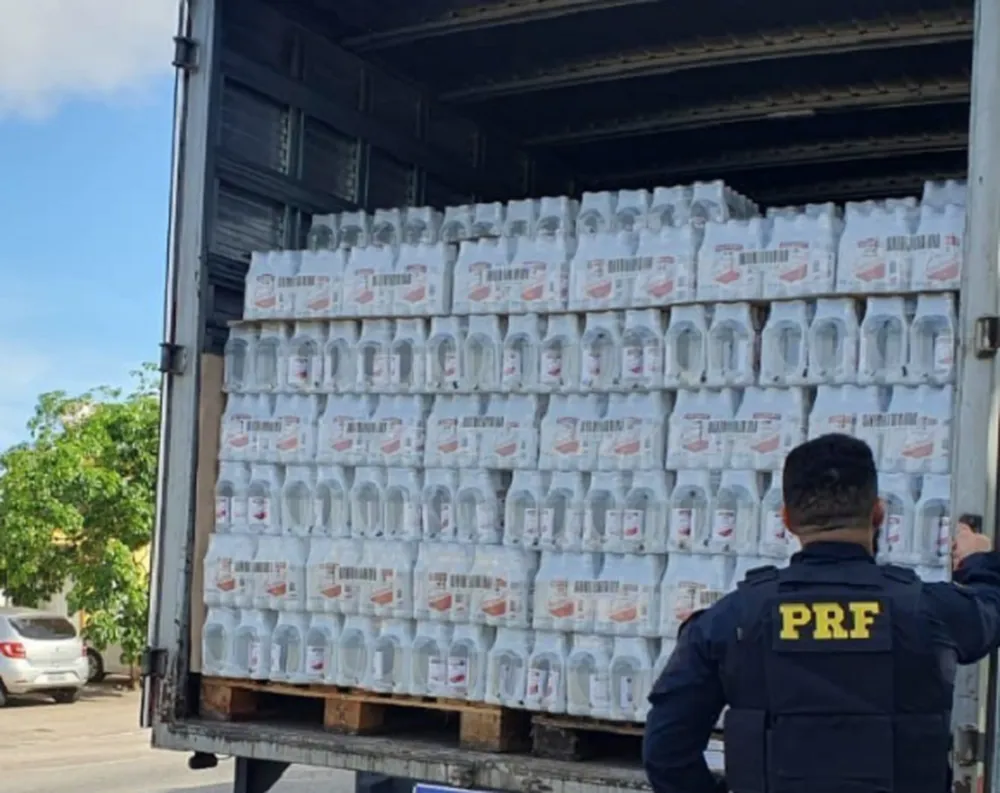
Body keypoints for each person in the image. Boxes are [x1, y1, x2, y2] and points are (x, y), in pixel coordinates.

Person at [643, 433, 1000, 793]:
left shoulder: (731, 620)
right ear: (878, 513)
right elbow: (991, 609)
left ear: (787, 520)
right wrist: (977, 561)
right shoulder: (927, 609)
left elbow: (666, 752)